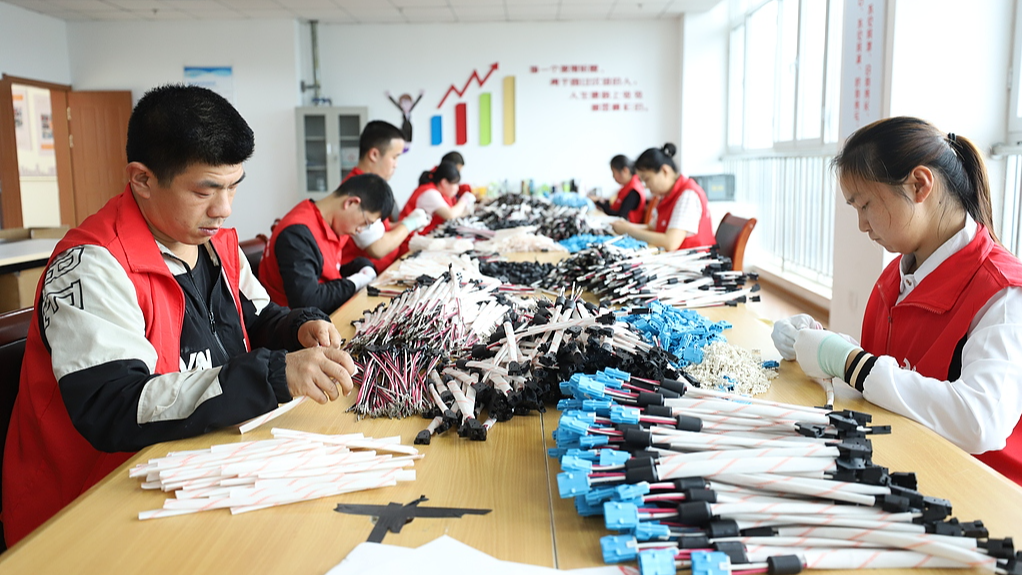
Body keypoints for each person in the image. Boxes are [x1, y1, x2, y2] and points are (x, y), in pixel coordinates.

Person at [2, 85, 358, 546]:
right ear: (143, 179)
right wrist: (270, 376)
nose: (224, 209)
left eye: (233, 187)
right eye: (205, 190)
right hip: (91, 510)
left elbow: (256, 318)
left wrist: (299, 328)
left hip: (191, 468)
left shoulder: (214, 243)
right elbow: (116, 405)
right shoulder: (95, 265)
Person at [771, 117, 1022, 485]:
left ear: (919, 184)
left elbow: (981, 421)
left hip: (974, 488)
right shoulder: (896, 278)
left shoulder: (1002, 292)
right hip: (899, 464)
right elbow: (889, 372)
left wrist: (849, 361)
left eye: (865, 205)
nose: (862, 224)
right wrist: (822, 343)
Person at [259, 173, 395, 314]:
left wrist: (364, 267)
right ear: (351, 203)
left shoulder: (330, 223)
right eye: (366, 223)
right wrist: (356, 282)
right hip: (293, 325)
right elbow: (308, 301)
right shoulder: (297, 234)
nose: (360, 230)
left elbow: (328, 271)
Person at [339, 120, 428, 271]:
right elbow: (377, 248)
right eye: (394, 157)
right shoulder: (359, 191)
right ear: (374, 154)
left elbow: (380, 229)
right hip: (366, 277)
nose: (396, 164)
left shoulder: (369, 185)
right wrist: (409, 224)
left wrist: (409, 221)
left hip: (384, 268)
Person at [610, 143, 713, 251]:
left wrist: (629, 231)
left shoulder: (688, 195)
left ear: (664, 171)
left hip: (694, 264)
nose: (646, 186)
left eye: (647, 179)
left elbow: (670, 243)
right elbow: (652, 228)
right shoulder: (666, 196)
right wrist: (625, 226)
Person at [396, 161, 475, 257]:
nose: (457, 188)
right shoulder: (430, 193)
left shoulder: (436, 191)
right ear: (444, 182)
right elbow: (450, 214)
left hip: (419, 239)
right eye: (455, 184)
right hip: (409, 244)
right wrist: (465, 200)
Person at [590, 155, 646, 223]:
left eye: (614, 173)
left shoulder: (633, 191)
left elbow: (620, 217)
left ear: (625, 171)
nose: (613, 177)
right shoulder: (627, 187)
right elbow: (615, 207)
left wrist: (598, 202)